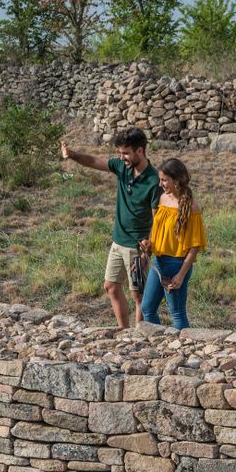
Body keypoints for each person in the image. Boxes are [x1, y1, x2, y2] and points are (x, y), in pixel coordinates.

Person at [61, 127, 161, 329]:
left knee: (138, 294)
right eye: (120, 153)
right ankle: (124, 331)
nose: (122, 157)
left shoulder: (153, 181)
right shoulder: (122, 167)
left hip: (137, 246)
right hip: (118, 241)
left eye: (126, 153)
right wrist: (72, 155)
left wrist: (147, 249)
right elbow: (93, 161)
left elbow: (157, 219)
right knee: (111, 287)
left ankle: (139, 335)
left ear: (140, 151)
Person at [139, 158, 206, 331]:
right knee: (147, 308)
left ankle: (184, 344)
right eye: (160, 180)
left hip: (177, 264)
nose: (160, 184)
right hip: (159, 261)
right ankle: (157, 341)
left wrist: (181, 275)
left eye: (164, 180)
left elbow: (195, 246)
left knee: (177, 313)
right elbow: (157, 228)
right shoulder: (162, 198)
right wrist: (149, 243)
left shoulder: (191, 207)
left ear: (176, 180)